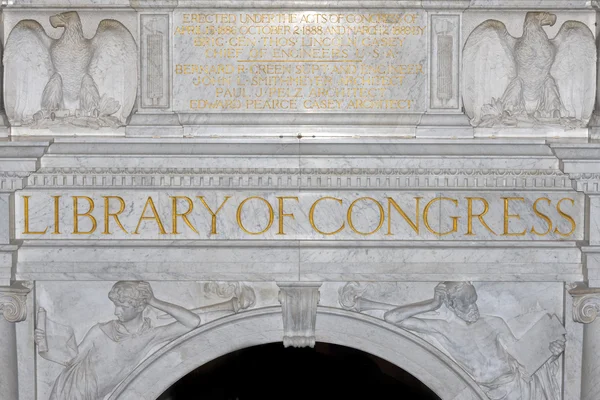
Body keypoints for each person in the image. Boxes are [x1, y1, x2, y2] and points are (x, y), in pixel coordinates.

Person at [383, 282, 565, 400]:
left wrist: (551, 354)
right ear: (451, 304)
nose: (473, 307)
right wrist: (432, 304)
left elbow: (522, 356)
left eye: (474, 301)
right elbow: (392, 318)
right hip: (484, 393)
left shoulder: (494, 322)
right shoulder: (443, 329)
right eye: (466, 303)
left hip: (519, 387)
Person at [35, 281, 201, 400]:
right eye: (116, 305)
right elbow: (71, 359)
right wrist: (45, 349)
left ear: (140, 307)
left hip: (94, 395)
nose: (116, 311)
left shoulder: (148, 336)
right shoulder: (100, 330)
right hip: (73, 388)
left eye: (123, 307)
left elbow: (192, 322)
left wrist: (154, 301)